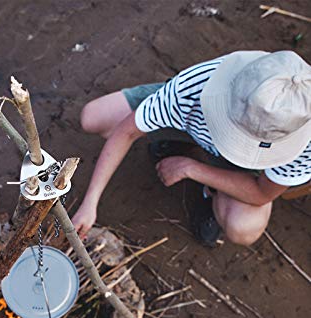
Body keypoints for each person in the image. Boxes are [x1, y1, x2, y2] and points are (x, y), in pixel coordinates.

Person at [72, 50, 311, 246]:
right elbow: (127, 130)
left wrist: (192, 169)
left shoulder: (303, 132)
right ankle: (175, 138)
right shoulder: (200, 84)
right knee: (94, 118)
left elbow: (262, 193)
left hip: (238, 169)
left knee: (243, 228)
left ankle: (210, 192)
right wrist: (90, 202)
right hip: (191, 123)